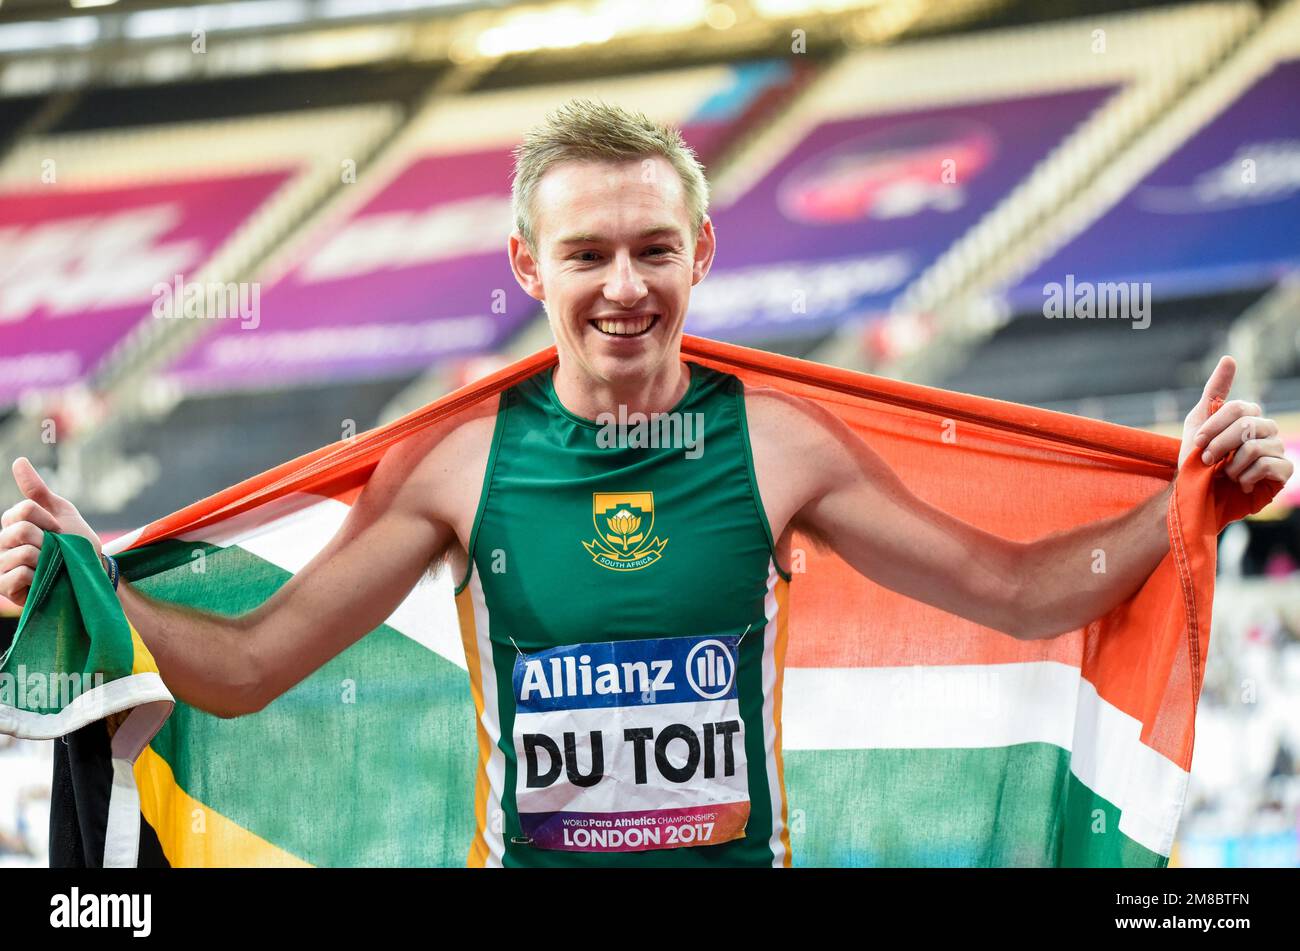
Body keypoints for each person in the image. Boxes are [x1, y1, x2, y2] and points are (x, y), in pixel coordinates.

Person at [1, 99, 1293, 867]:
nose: (625, 285)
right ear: (526, 264)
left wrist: (1183, 503)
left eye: (654, 248)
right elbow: (250, 663)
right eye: (588, 253)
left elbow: (1018, 593)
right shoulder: (457, 461)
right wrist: (89, 584)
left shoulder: (778, 444)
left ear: (704, 253)